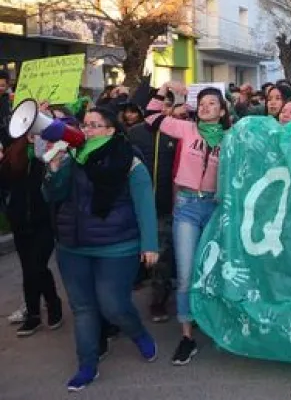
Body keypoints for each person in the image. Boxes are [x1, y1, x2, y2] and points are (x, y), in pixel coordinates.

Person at [44, 106, 159, 392]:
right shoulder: (71, 156)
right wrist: (54, 169)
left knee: (113, 305)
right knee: (83, 308)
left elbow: (145, 203)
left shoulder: (129, 160)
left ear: (110, 130)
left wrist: (150, 245)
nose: (88, 130)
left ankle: (138, 333)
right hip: (73, 246)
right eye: (85, 124)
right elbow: (52, 195)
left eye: (95, 125)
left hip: (117, 246)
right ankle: (87, 366)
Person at [146, 83, 230, 366]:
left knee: (214, 272)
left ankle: (216, 326)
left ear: (222, 110)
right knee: (185, 273)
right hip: (187, 209)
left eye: (212, 103)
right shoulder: (186, 129)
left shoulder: (230, 139)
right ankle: (186, 336)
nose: (206, 107)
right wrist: (163, 90)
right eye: (202, 103)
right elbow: (151, 117)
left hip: (216, 208)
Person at [0, 135, 63, 338]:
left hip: (43, 220)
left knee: (36, 265)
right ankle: (34, 314)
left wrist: (42, 147)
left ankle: (52, 304)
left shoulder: (50, 149)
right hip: (20, 221)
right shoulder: (14, 152)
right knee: (29, 268)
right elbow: (5, 182)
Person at [127, 105, 179, 324]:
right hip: (133, 205)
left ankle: (158, 301)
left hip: (164, 207)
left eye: (168, 105)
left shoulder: (176, 132)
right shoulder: (135, 133)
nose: (162, 110)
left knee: (161, 258)